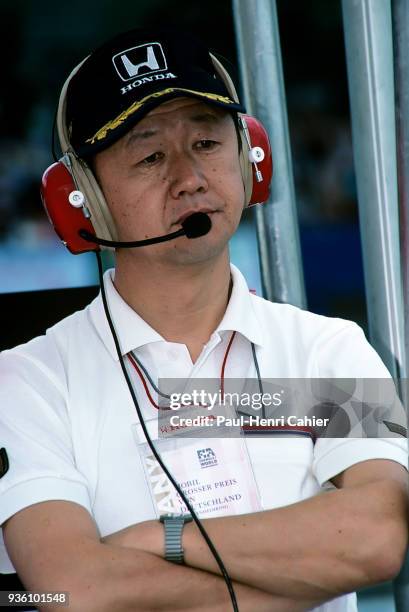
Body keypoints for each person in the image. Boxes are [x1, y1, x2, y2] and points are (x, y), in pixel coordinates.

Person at [0, 26, 408, 612]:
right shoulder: (25, 381)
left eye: (208, 144)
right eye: (150, 155)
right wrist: (305, 572)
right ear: (80, 196)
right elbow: (70, 591)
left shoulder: (334, 348)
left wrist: (162, 540)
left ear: (250, 157)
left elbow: (377, 538)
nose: (189, 178)